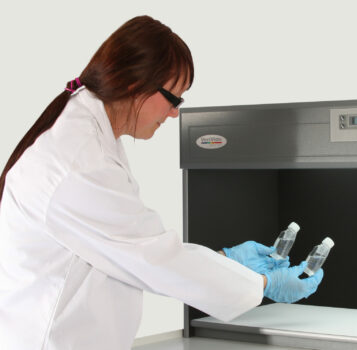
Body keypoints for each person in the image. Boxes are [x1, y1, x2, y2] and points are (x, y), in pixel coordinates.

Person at [0, 16, 324, 350]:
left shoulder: (89, 135)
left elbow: (133, 248)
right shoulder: (78, 162)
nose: (174, 114)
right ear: (134, 85)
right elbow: (153, 259)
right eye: (175, 98)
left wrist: (226, 259)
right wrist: (261, 283)